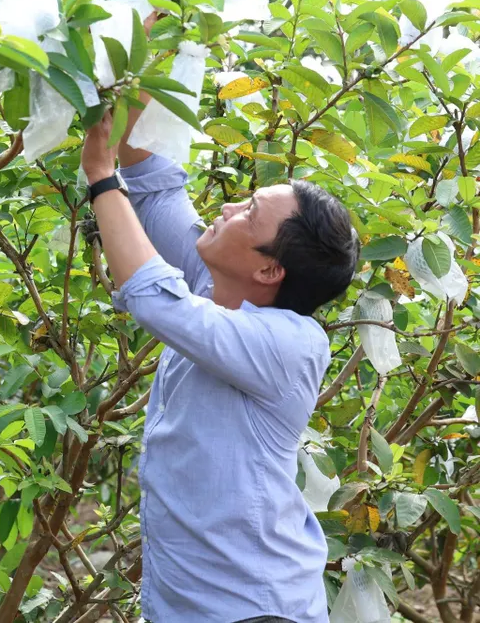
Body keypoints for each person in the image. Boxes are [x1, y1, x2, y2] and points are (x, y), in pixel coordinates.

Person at [80, 96, 358, 623]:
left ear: (269, 271)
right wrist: (128, 74)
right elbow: (154, 185)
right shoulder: (216, 289)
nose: (228, 209)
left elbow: (153, 297)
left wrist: (100, 175)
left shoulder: (291, 344)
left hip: (255, 611)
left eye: (248, 214)